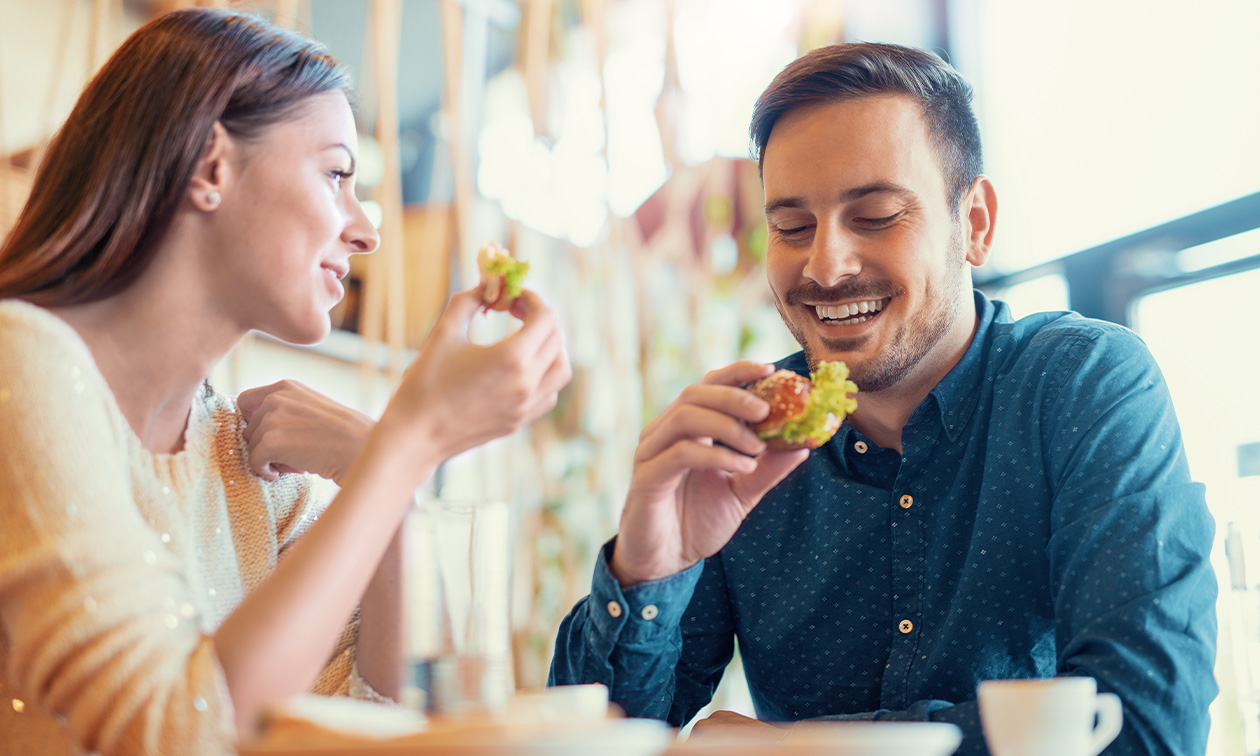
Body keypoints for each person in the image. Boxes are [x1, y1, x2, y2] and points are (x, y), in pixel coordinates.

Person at [549, 42, 1216, 755]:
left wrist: (792, 748)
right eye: (792, 227)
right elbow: (590, 743)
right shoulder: (741, 442)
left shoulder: (1082, 385)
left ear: (976, 224)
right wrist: (649, 570)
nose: (825, 266)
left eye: (874, 216)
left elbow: (1146, 726)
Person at [0, 9, 570, 756]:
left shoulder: (248, 462)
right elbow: (175, 732)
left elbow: (362, 724)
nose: (367, 231)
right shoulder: (19, 361)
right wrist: (408, 442)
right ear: (211, 167)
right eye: (336, 174)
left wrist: (389, 477)